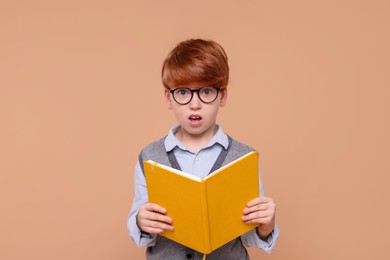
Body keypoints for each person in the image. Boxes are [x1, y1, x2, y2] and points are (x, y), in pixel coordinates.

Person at [127, 39, 279, 259]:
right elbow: (140, 231)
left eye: (206, 92)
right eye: (182, 92)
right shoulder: (150, 157)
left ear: (223, 96)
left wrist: (266, 226)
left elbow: (250, 236)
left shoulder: (243, 158)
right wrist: (141, 221)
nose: (194, 104)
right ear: (168, 98)